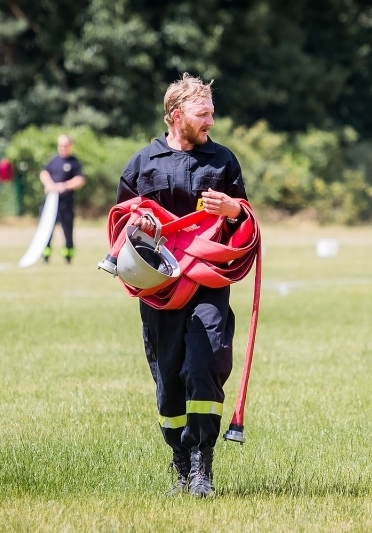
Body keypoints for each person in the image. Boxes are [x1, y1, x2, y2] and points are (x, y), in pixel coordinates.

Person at [116, 73, 248, 498]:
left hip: (207, 284)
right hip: (159, 289)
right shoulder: (141, 163)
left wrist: (231, 210)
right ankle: (178, 462)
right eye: (202, 112)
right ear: (176, 115)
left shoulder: (223, 161)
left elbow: (243, 222)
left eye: (211, 111)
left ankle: (201, 466)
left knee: (203, 365)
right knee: (168, 378)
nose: (211, 119)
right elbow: (122, 224)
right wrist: (138, 223)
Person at [39, 134, 85, 264]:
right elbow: (44, 173)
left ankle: (68, 257)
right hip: (50, 204)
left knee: (67, 230)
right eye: (60, 145)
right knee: (47, 230)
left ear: (70, 146)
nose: (62, 148)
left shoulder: (74, 162)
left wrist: (63, 186)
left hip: (66, 203)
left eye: (65, 145)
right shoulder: (53, 160)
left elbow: (79, 179)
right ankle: (45, 256)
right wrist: (49, 184)